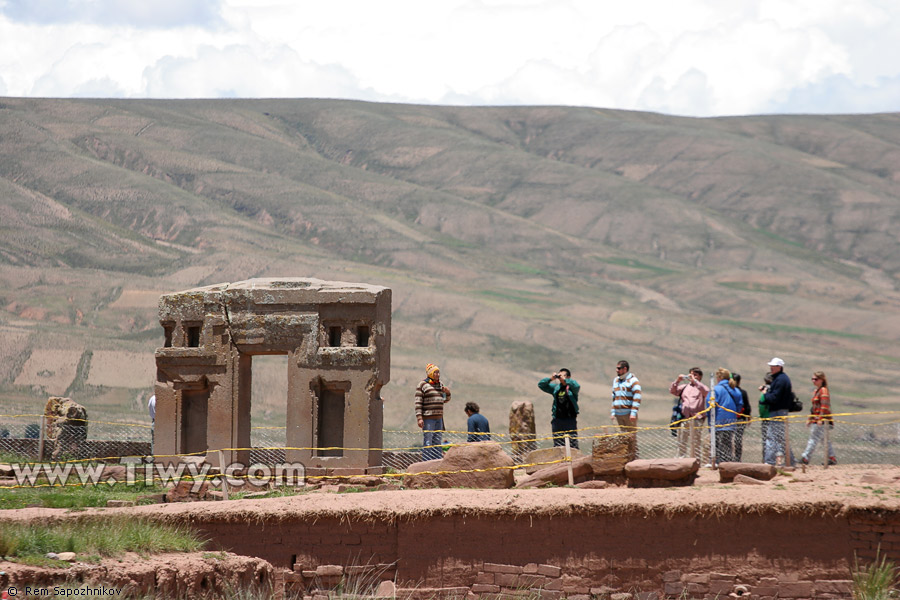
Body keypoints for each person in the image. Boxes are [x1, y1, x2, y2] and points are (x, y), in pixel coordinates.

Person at [759, 357, 795, 466]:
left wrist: (765, 394)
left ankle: (769, 462)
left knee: (772, 437)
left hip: (778, 411)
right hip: (780, 411)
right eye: (771, 366)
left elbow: (775, 398)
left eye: (773, 366)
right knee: (781, 438)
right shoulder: (781, 378)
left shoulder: (780, 380)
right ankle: (791, 461)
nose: (771, 368)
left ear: (779, 367)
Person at [669, 368, 710, 461]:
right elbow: (673, 391)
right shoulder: (684, 387)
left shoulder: (701, 387)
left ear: (700, 377)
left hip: (697, 418)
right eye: (691, 374)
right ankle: (681, 458)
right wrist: (678, 380)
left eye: (695, 375)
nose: (692, 376)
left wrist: (695, 381)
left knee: (695, 440)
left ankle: (696, 460)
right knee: (682, 439)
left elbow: (707, 392)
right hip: (685, 417)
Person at [415, 363, 451, 461]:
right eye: (435, 372)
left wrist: (447, 393)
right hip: (428, 418)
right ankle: (426, 462)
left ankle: (437, 462)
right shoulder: (422, 385)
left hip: (439, 418)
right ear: (430, 373)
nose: (438, 374)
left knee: (437, 441)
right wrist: (419, 418)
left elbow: (445, 400)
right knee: (428, 440)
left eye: (438, 372)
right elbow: (418, 402)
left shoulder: (440, 384)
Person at [707, 368, 743, 464]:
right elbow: (740, 405)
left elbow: (709, 406)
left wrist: (709, 418)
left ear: (719, 378)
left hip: (718, 421)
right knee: (727, 444)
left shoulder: (716, 390)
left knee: (717, 444)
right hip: (731, 421)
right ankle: (727, 464)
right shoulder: (735, 390)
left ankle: (718, 464)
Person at [538, 368, 580, 448]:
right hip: (557, 419)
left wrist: (566, 380)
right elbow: (541, 385)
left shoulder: (572, 388)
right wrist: (551, 379)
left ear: (568, 377)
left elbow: (577, 385)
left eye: (563, 375)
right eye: (559, 375)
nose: (561, 377)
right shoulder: (556, 388)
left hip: (570, 419)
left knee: (572, 443)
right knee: (558, 444)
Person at [801, 371, 836, 466]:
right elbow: (814, 407)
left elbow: (824, 406)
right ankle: (831, 457)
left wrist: (820, 418)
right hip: (816, 418)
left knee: (814, 438)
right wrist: (810, 419)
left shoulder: (823, 391)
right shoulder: (817, 391)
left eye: (816, 379)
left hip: (821, 420)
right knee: (824, 440)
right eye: (812, 379)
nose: (813, 381)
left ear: (822, 380)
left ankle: (805, 457)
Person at [611, 360, 641, 454]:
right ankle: (623, 459)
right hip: (618, 414)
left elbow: (637, 397)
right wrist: (612, 412)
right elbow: (614, 397)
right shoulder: (616, 381)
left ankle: (635, 459)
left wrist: (633, 413)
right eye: (616, 368)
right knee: (620, 438)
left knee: (631, 438)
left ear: (625, 369)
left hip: (628, 414)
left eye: (619, 368)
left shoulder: (633, 380)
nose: (617, 370)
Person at [45, 396, 88, 460]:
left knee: (61, 442)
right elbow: (85, 424)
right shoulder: (80, 407)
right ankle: (79, 457)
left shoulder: (59, 405)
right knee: (79, 441)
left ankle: (55, 458)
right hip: (79, 424)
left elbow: (53, 417)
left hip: (67, 422)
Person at [732, 374, 751, 461]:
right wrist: (748, 417)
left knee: (735, 439)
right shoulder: (742, 392)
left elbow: (746, 406)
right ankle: (737, 458)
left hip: (736, 418)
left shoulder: (732, 392)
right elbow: (747, 407)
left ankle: (735, 458)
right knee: (737, 439)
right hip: (740, 418)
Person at [758, 372, 773, 463]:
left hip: (766, 418)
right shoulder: (776, 390)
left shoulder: (765, 392)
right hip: (777, 418)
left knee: (766, 440)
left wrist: (762, 415)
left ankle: (766, 460)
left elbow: (762, 406)